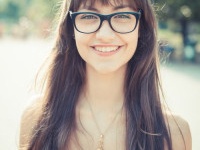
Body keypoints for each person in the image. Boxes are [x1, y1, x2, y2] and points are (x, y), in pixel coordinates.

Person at [19, 0, 192, 149]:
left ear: (141, 28)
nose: (105, 35)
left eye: (122, 15)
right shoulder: (36, 119)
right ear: (71, 28)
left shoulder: (175, 135)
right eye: (88, 16)